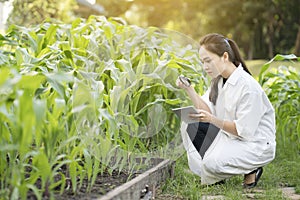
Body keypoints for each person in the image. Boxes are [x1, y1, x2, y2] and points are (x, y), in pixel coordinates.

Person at [176, 33, 276, 188]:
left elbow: (243, 131)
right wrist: (188, 89)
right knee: (189, 124)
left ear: (224, 56)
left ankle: (252, 168)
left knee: (210, 164)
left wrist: (212, 119)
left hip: (254, 144)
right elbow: (207, 109)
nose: (205, 67)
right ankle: (215, 172)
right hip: (230, 137)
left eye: (208, 61)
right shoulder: (219, 80)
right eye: (203, 62)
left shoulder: (248, 87)